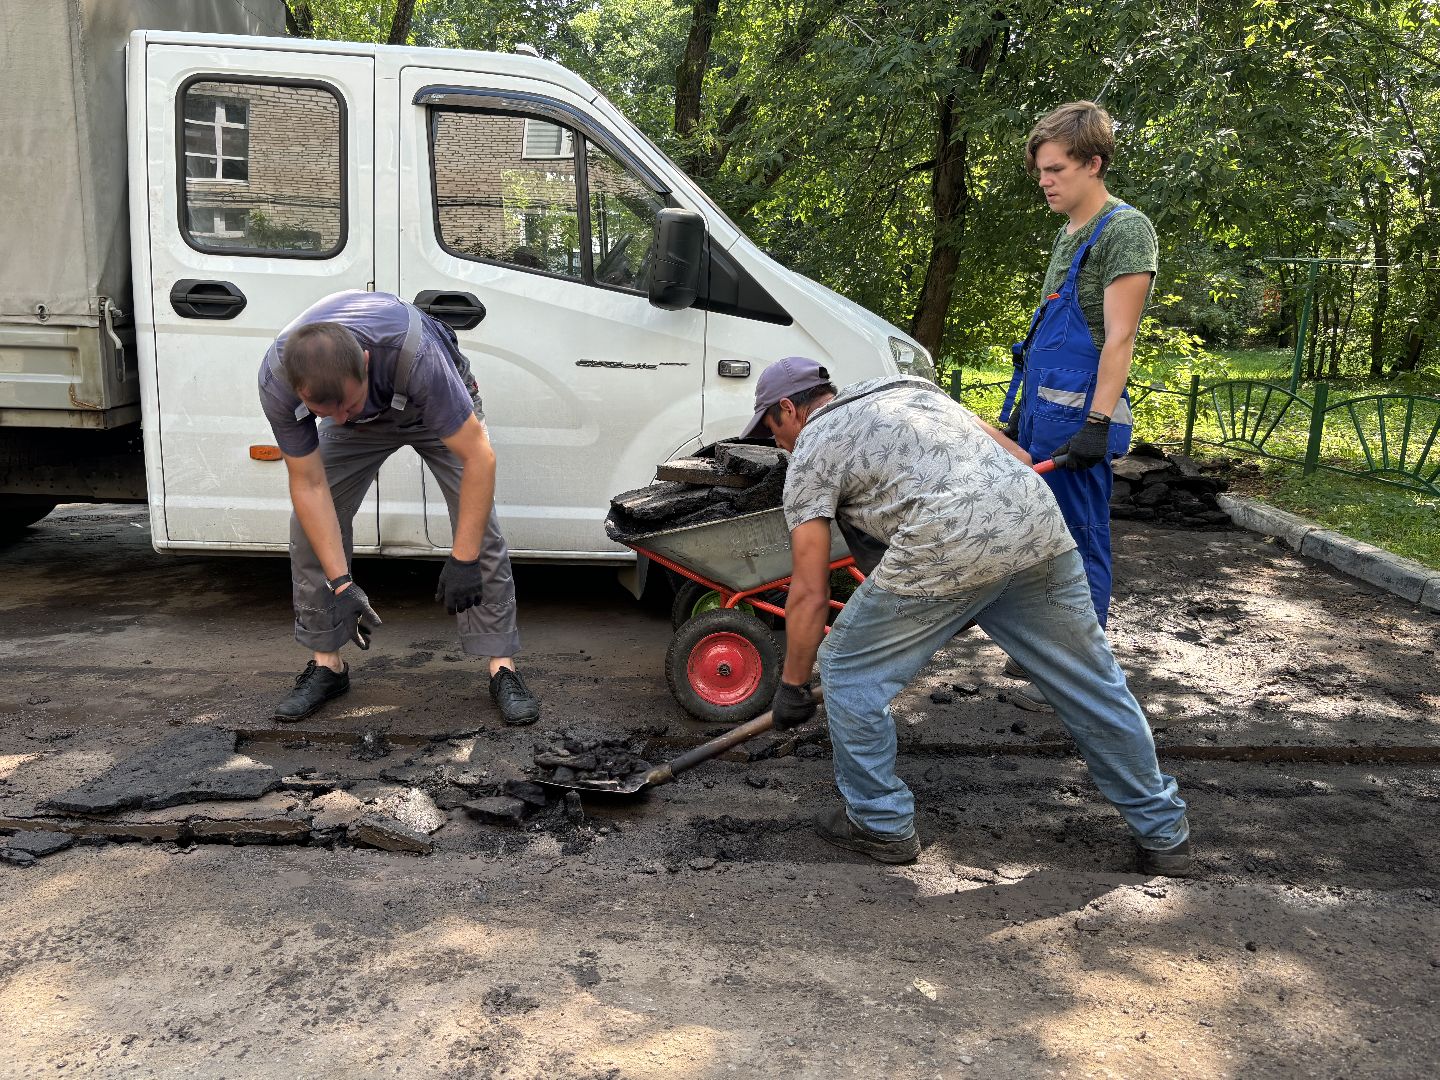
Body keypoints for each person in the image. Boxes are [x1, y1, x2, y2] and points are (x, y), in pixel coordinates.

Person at [743, 356, 1191, 876]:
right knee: (1092, 684)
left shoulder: (811, 453)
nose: (777, 443)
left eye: (772, 430)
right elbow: (1020, 457)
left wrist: (794, 684)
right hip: (1035, 523)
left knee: (846, 666)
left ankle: (879, 823)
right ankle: (1164, 834)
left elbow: (810, 591)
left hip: (947, 542)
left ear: (787, 409)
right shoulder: (907, 389)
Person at [257, 290, 540, 725]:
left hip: (428, 407)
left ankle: (502, 668)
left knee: (478, 527)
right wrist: (340, 583)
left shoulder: (417, 356)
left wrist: (462, 559)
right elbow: (310, 485)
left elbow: (478, 458)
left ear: (366, 363)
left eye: (348, 405)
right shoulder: (278, 381)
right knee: (309, 527)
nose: (341, 421)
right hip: (371, 399)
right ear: (299, 391)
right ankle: (327, 665)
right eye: (323, 412)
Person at [998, 100, 1159, 712]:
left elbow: (1120, 336)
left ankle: (1083, 671)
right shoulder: (1068, 232)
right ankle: (1047, 650)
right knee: (1038, 537)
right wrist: (1018, 415)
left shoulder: (1125, 230)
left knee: (1079, 539)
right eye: (1041, 170)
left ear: (1094, 164)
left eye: (1057, 169)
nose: (1044, 181)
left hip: (1079, 427)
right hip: (1042, 415)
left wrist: (1095, 424)